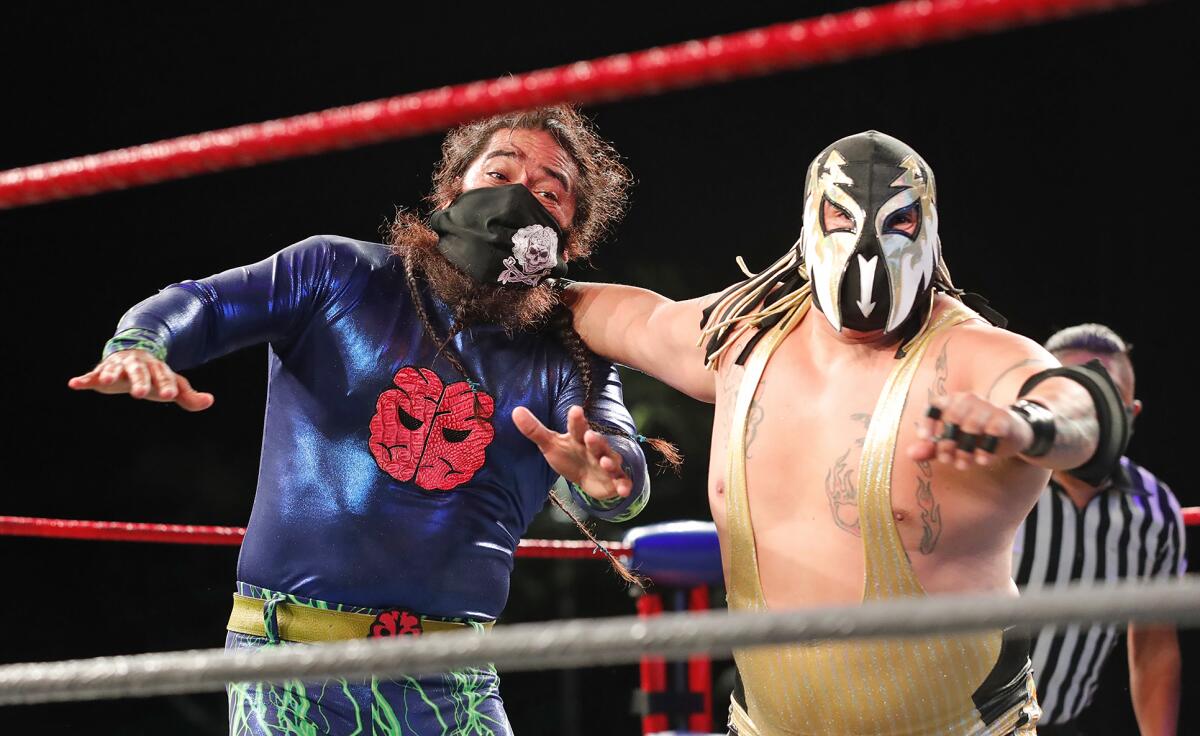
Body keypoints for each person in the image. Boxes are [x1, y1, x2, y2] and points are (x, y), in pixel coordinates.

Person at [68, 105, 652, 736]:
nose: (516, 201)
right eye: (499, 173)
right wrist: (141, 344)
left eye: (547, 193)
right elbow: (203, 304)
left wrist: (611, 479)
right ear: (453, 186)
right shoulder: (339, 274)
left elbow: (617, 467)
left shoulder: (567, 353)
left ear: (570, 235)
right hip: (289, 662)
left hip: (450, 679)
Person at [529, 131, 1132, 735]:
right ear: (810, 224)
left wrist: (1028, 425)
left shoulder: (971, 356)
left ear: (928, 232)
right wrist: (499, 278)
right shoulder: (741, 339)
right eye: (842, 216)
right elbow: (626, 318)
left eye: (896, 224)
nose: (866, 249)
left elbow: (1079, 405)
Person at [1014, 324, 1185, 736]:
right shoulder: (993, 484)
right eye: (1074, 405)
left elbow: (1153, 644)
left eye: (1102, 407)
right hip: (959, 723)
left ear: (1130, 415)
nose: (1085, 426)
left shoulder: (1156, 510)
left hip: (1063, 725)